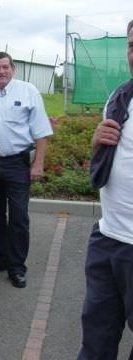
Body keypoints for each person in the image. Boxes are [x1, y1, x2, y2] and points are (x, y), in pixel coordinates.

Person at [0, 52, 53, 288]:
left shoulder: (28, 92)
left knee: (19, 217)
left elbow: (41, 132)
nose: (1, 71)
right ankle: (1, 259)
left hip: (17, 163)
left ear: (13, 69)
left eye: (5, 67)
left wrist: (38, 164)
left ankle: (17, 267)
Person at [78, 20, 133, 360]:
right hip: (108, 238)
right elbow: (109, 159)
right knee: (96, 338)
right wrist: (97, 143)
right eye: (131, 44)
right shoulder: (120, 97)